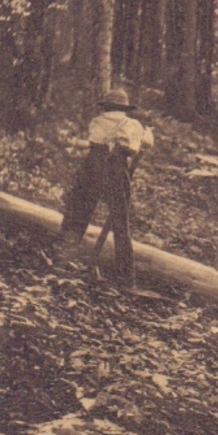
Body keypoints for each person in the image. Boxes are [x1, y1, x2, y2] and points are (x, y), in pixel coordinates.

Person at [59, 87, 154, 286]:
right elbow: (139, 146)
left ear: (106, 107)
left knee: (78, 212)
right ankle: (126, 277)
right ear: (124, 108)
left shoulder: (97, 122)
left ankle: (63, 259)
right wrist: (148, 135)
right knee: (120, 223)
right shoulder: (132, 124)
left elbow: (94, 144)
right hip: (115, 169)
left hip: (91, 168)